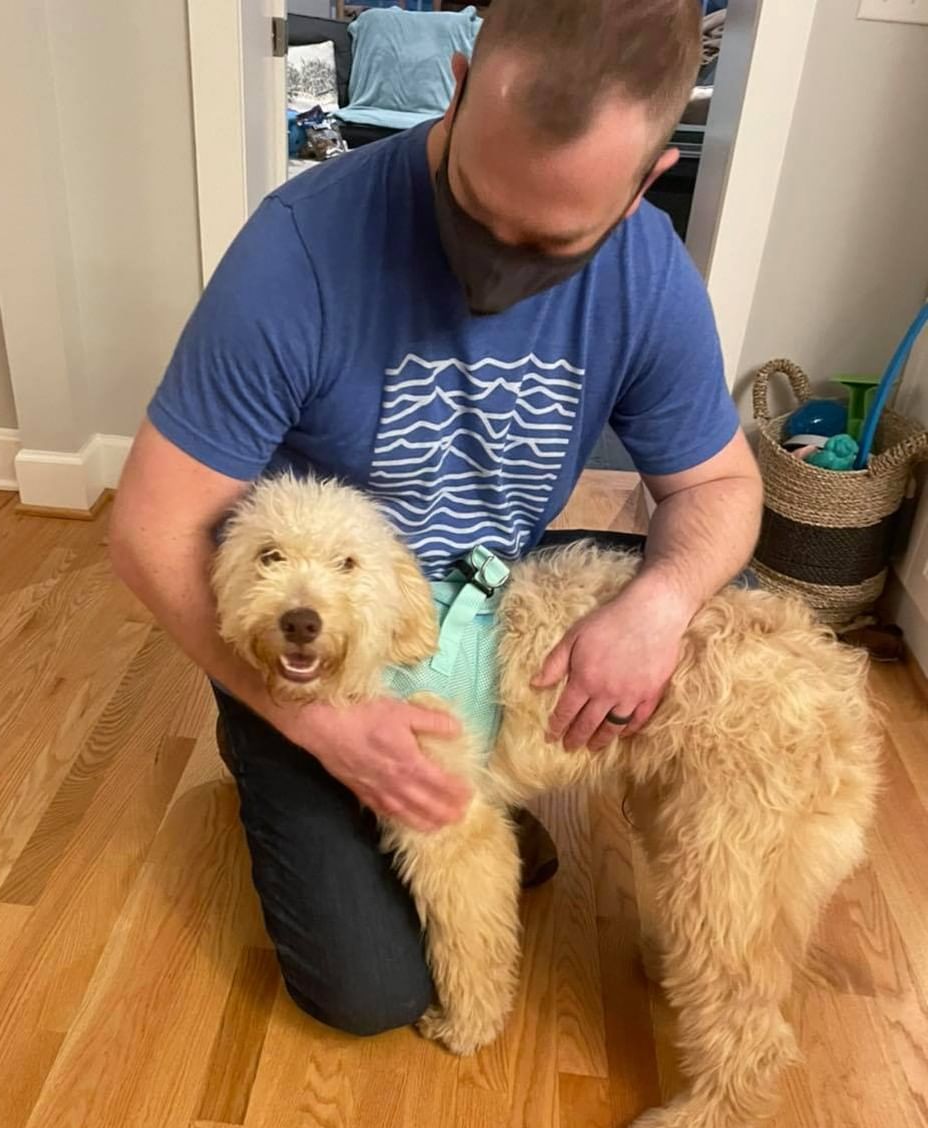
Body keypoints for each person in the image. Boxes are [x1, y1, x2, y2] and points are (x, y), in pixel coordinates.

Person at [110, 0, 764, 1037]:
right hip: (314, 625)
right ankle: (274, 750)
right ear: (456, 88)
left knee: (741, 611)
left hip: (488, 583)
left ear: (645, 184)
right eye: (476, 207)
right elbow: (148, 527)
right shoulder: (299, 254)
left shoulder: (649, 274)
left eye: (548, 242)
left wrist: (663, 603)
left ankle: (486, 784)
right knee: (371, 995)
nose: (494, 265)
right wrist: (323, 726)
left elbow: (722, 490)